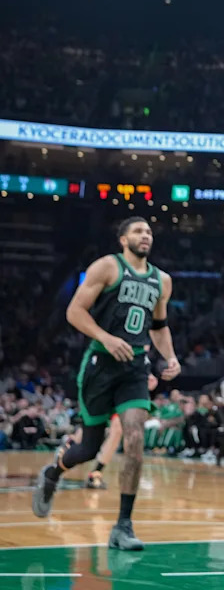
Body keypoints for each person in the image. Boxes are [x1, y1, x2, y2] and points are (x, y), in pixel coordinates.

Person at [33, 217, 181, 550]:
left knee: (134, 437)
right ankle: (53, 473)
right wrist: (106, 337)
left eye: (149, 232)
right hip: (100, 363)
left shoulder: (162, 280)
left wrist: (170, 357)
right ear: (122, 239)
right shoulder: (106, 267)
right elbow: (75, 311)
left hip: (136, 369)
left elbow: (158, 326)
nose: (145, 236)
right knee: (87, 448)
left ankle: (123, 526)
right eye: (138, 231)